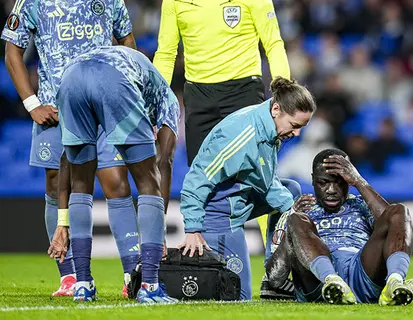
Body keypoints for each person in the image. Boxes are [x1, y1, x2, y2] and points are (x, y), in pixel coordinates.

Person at [153, 0, 292, 298]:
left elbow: (273, 41)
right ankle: (219, 274)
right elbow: (165, 53)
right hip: (198, 95)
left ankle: (275, 274)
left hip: (244, 89)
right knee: (207, 183)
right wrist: (156, 104)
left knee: (260, 180)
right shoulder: (174, 2)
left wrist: (284, 89)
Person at [2, 0, 140, 297]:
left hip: (105, 107)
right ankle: (70, 277)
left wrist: (128, 91)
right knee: (55, 184)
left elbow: (127, 41)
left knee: (116, 182)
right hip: (56, 109)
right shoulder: (31, 2)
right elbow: (12, 51)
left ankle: (134, 275)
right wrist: (32, 104)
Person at [49, 45, 180, 303]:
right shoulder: (168, 99)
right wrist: (158, 232)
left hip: (71, 76)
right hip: (114, 79)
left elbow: (67, 160)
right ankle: (150, 287)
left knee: (81, 183)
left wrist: (62, 220)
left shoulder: (138, 70)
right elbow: (163, 162)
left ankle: (83, 284)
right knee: (148, 182)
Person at [178, 78, 315, 300]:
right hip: (218, 213)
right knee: (238, 296)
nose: (297, 134)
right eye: (295, 126)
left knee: (291, 192)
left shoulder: (270, 128)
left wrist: (299, 211)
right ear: (276, 109)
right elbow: (196, 180)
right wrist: (193, 229)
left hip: (238, 200)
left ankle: (275, 278)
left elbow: (267, 183)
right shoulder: (241, 135)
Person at [265, 149, 413, 306]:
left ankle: (395, 282)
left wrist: (359, 181)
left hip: (362, 273)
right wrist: (291, 231)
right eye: (323, 183)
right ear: (313, 180)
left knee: (399, 210)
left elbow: (394, 223)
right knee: (296, 219)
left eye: (339, 182)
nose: (331, 190)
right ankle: (332, 281)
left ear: (348, 181)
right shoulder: (298, 211)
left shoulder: (361, 205)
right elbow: (275, 278)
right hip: (318, 282)